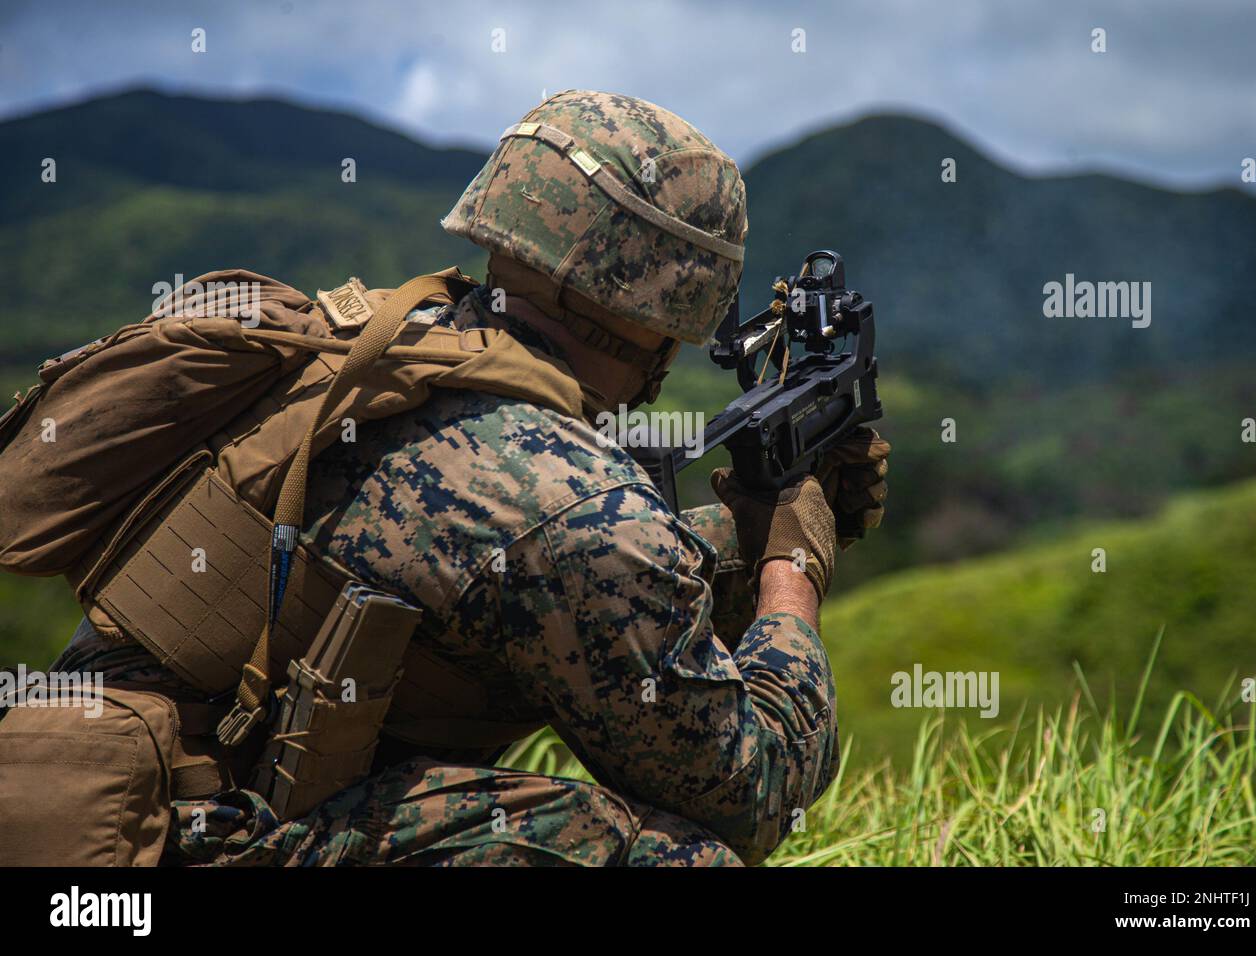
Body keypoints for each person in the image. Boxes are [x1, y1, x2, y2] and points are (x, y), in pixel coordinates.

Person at [50, 89, 891, 867]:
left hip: (92, 796)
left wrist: (750, 529)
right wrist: (793, 568)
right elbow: (752, 789)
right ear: (672, 304)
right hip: (175, 845)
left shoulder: (379, 349)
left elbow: (541, 578)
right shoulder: (568, 500)